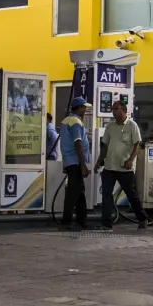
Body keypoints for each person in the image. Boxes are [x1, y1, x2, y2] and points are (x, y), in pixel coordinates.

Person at [98, 98, 147, 230]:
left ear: (124, 111)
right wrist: (99, 161)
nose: (113, 112)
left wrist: (131, 160)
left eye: (116, 109)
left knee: (130, 193)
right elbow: (105, 145)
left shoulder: (132, 126)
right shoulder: (110, 127)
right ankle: (106, 223)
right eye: (112, 109)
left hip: (125, 167)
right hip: (110, 166)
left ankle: (142, 218)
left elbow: (137, 144)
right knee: (106, 193)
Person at [56, 97, 91, 229]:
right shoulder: (76, 122)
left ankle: (81, 220)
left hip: (70, 161)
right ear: (78, 108)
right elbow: (77, 143)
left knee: (79, 191)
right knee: (73, 192)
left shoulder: (66, 121)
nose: (85, 110)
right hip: (76, 162)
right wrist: (83, 165)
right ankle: (66, 222)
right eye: (83, 107)